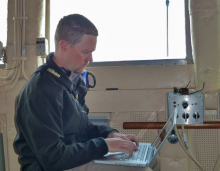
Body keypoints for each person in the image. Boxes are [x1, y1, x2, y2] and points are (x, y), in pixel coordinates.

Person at [14, 14, 160, 171]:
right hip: (52, 165)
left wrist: (109, 134)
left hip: (74, 156)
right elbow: (53, 158)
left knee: (152, 159)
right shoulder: (41, 91)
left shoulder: (71, 80)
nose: (91, 58)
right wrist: (104, 145)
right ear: (64, 46)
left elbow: (82, 128)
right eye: (85, 52)